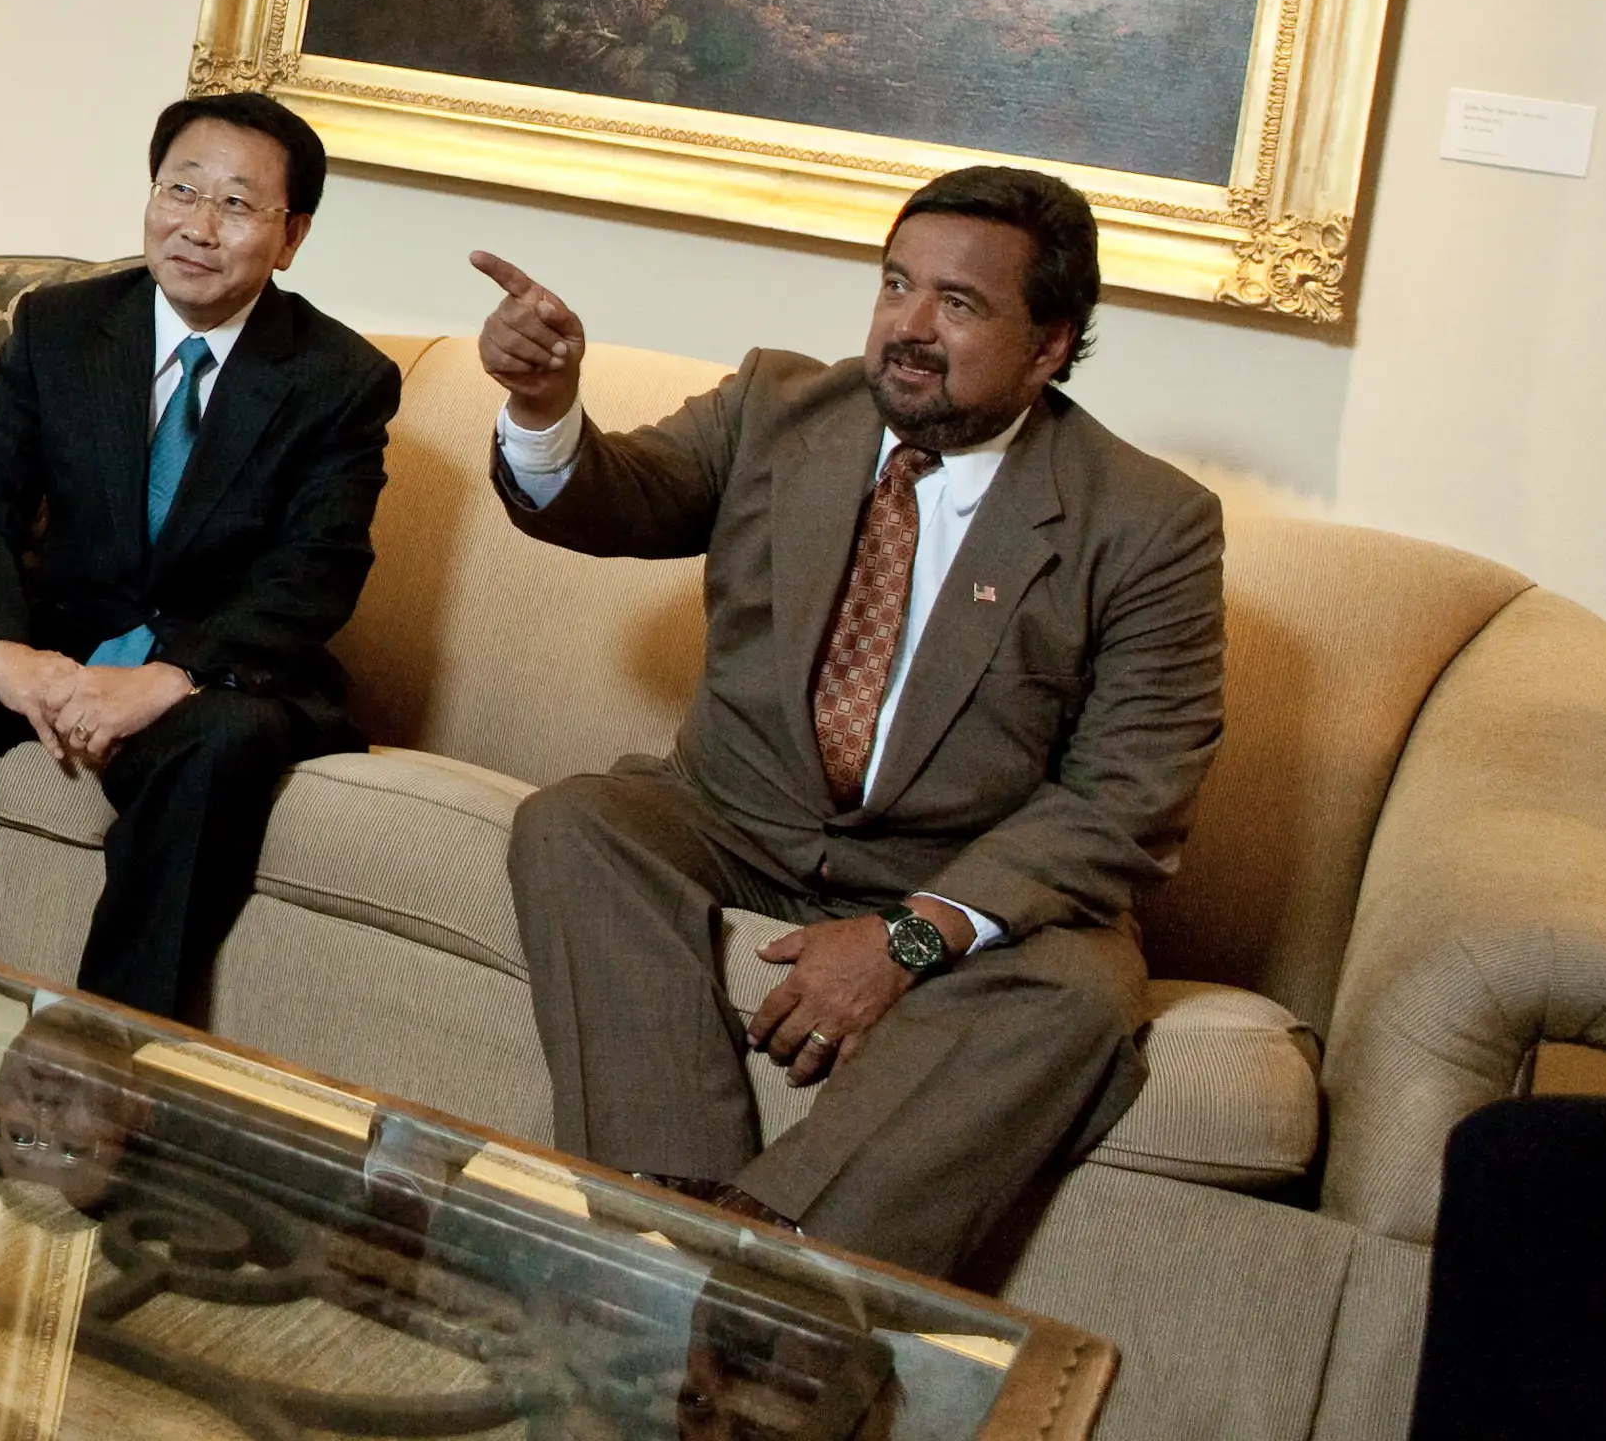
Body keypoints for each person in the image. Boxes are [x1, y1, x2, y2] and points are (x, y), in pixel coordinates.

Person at [471, 166, 1224, 1282]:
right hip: (737, 819)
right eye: (895, 285)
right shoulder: (777, 406)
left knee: (1079, 990)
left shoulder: (1147, 521)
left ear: (1049, 342)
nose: (909, 328)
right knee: (578, 821)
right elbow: (617, 494)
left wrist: (908, 936)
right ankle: (662, 1219)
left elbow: (1128, 791)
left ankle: (776, 1268)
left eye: (958, 305)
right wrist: (543, 404)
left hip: (952, 864)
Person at [0, 92, 400, 1022]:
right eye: (179, 189)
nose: (197, 226)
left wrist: (172, 675)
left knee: (222, 742)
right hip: (64, 633)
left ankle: (109, 1046)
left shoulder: (339, 379)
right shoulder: (62, 326)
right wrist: (4, 651)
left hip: (219, 669)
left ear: (291, 235)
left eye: (235, 204)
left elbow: (317, 569)